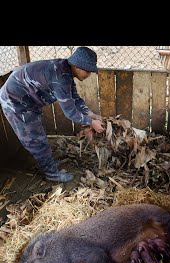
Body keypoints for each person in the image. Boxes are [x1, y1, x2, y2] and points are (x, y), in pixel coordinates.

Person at [0, 46, 105, 182]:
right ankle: (51, 174)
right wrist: (91, 123)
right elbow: (70, 112)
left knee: (38, 135)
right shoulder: (59, 78)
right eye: (88, 71)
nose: (89, 75)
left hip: (26, 100)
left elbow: (75, 99)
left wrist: (92, 115)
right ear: (78, 66)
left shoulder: (65, 71)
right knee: (35, 139)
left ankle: (48, 164)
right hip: (15, 101)